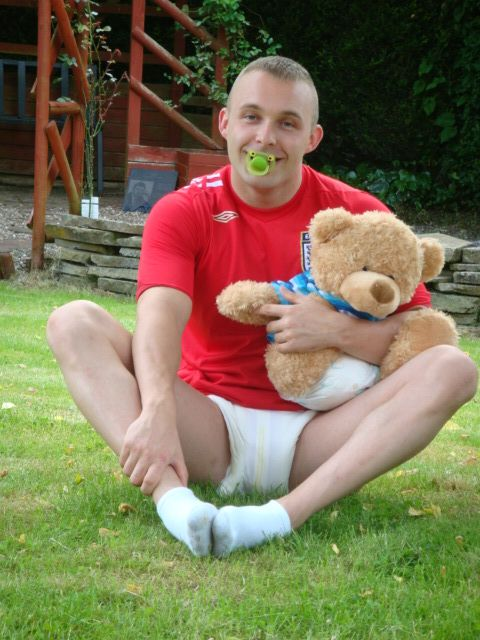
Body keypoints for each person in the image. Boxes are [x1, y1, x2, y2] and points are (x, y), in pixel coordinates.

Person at [47, 56, 477, 558]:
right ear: (225, 123)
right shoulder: (184, 209)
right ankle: (174, 503)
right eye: (251, 116)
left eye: (287, 123)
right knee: (73, 320)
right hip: (209, 427)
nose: (266, 137)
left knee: (454, 368)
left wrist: (334, 331)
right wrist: (160, 409)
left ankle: (281, 516)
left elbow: (424, 339)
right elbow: (159, 317)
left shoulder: (357, 212)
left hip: (318, 436)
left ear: (312, 138)